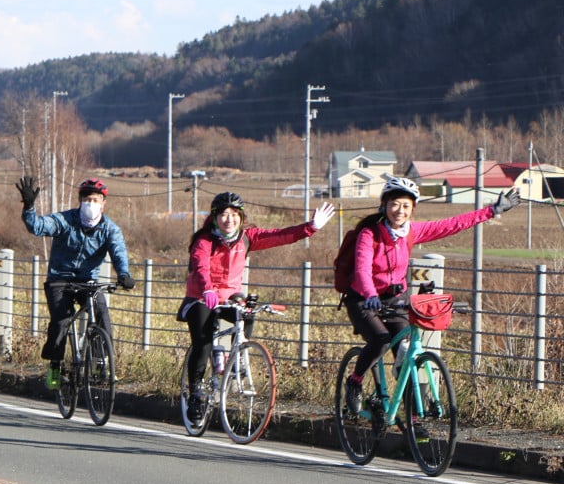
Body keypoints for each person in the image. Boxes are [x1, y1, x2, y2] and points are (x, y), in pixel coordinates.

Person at [342, 177, 520, 415]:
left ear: (412, 209)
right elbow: (362, 269)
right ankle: (355, 381)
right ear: (384, 205)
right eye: (395, 204)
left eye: (406, 206)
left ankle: (414, 424)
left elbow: (452, 224)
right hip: (364, 299)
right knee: (380, 340)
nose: (400, 211)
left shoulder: (411, 232)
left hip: (395, 299)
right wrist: (370, 294)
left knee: (407, 358)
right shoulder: (369, 234)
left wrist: (493, 210)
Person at [178, 191, 336, 413]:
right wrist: (207, 289)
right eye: (223, 214)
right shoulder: (204, 241)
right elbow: (201, 266)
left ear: (241, 217)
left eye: (234, 214)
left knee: (248, 312)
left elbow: (280, 235)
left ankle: (238, 353)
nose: (229, 219)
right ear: (214, 217)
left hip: (230, 295)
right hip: (201, 296)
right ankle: (195, 393)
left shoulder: (246, 237)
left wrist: (310, 227)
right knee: (202, 343)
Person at [16, 176, 134, 390]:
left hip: (88, 281)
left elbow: (118, 251)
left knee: (101, 314)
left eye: (96, 200)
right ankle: (55, 365)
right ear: (80, 201)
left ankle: (100, 362)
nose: (91, 204)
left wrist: (124, 273)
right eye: (87, 199)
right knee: (61, 321)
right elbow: (39, 226)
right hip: (60, 279)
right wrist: (29, 207)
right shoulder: (65, 220)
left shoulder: (110, 228)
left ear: (103, 203)